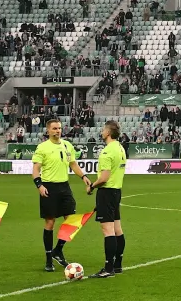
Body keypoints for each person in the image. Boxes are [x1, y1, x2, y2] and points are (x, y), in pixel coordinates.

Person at [33, 117, 88, 272]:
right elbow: (36, 169)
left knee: (72, 220)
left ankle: (58, 249)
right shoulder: (42, 147)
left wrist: (83, 177)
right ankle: (49, 259)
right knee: (50, 223)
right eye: (54, 128)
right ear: (48, 130)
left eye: (59, 128)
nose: (57, 131)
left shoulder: (67, 145)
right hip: (49, 187)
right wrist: (39, 186)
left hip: (64, 187)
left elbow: (73, 164)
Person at [86, 120, 128, 278]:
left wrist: (92, 186)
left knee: (108, 230)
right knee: (117, 229)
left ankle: (108, 268)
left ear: (108, 132)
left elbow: (104, 178)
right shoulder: (120, 148)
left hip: (106, 192)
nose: (102, 131)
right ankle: (117, 265)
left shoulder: (107, 152)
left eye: (104, 129)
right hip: (116, 191)